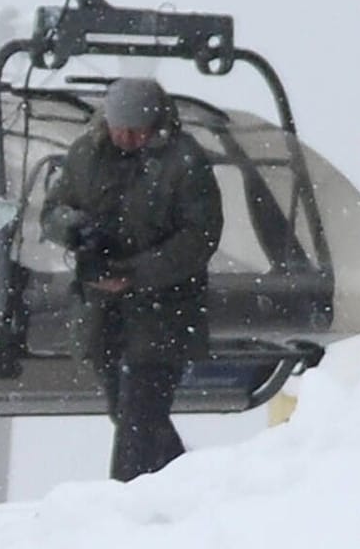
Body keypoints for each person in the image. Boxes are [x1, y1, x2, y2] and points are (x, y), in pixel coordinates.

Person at [40, 76, 223, 482]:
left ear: (156, 124)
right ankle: (189, 484)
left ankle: (122, 503)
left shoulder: (184, 163)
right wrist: (76, 230)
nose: (126, 138)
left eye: (136, 131)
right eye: (119, 128)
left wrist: (137, 273)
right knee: (126, 412)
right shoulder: (86, 154)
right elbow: (53, 210)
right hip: (104, 313)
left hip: (164, 313)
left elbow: (200, 237)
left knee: (138, 420)